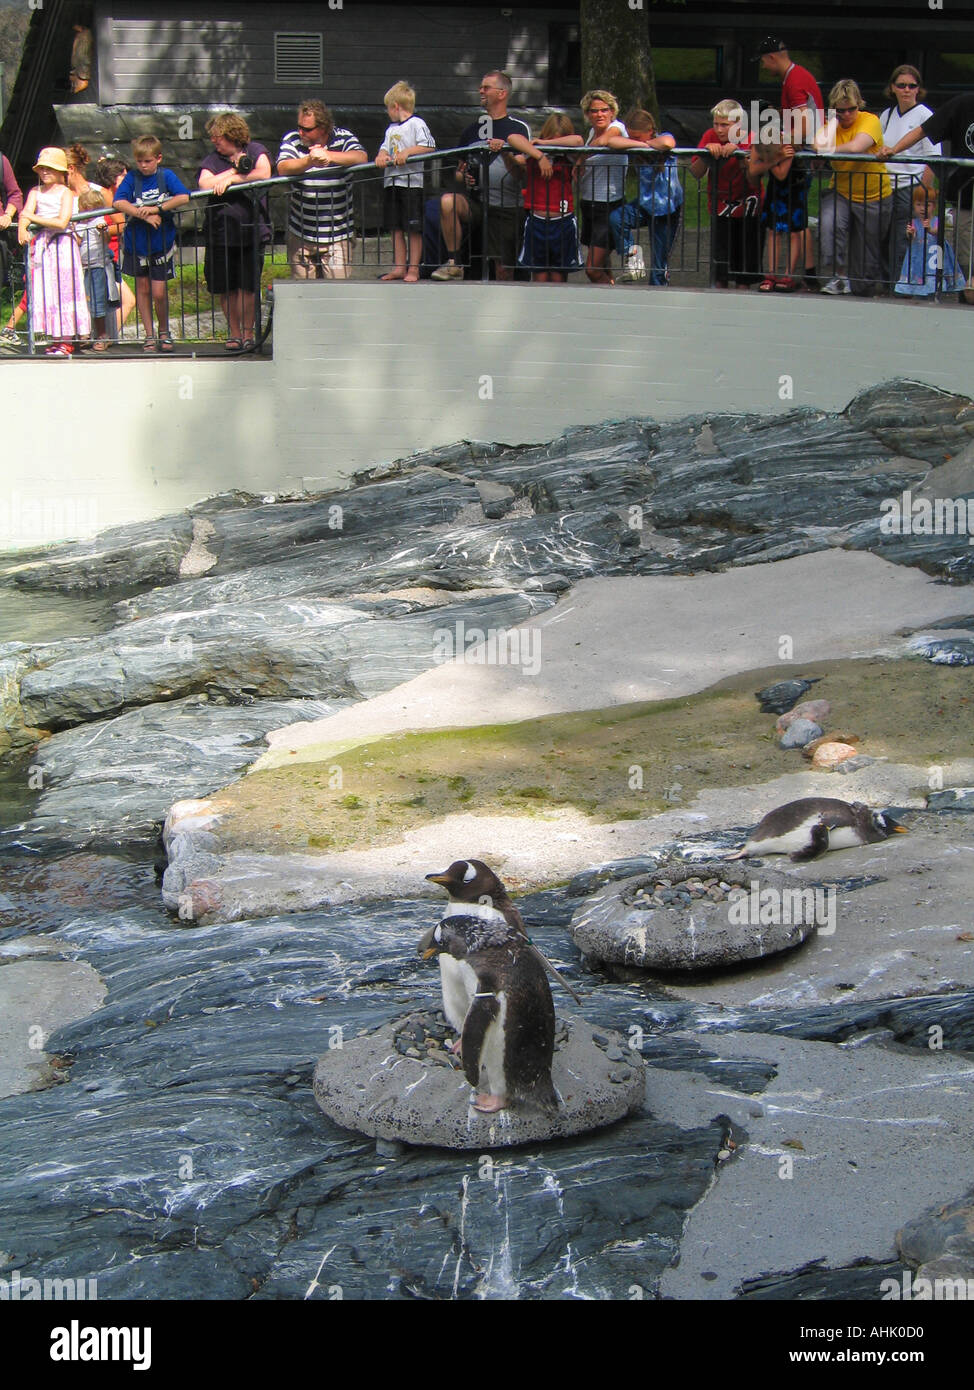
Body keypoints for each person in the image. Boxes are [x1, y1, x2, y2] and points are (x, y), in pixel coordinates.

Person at [431, 71, 530, 281]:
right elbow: (458, 172)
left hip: (507, 205)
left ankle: (506, 308)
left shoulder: (518, 128)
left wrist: (504, 151)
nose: (481, 91)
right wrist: (464, 176)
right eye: (481, 87)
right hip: (476, 202)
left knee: (503, 269)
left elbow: (523, 171)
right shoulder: (471, 131)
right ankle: (453, 263)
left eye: (486, 87)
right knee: (448, 201)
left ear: (502, 93)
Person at [879, 90, 974, 305]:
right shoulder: (962, 104)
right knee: (966, 256)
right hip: (966, 197)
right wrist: (894, 149)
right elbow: (924, 131)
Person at [198, 113, 272, 351]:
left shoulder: (255, 150)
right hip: (220, 232)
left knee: (248, 286)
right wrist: (232, 174)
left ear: (232, 134)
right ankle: (234, 332)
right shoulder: (213, 159)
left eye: (218, 137)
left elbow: (264, 172)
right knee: (226, 286)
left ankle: (249, 332)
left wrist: (236, 178)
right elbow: (204, 183)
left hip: (251, 232)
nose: (215, 142)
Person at [814, 79, 892, 296]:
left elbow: (858, 146)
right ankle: (838, 276)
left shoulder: (870, 120)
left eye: (852, 109)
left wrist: (829, 150)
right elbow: (816, 145)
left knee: (865, 265)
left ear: (859, 105)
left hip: (874, 195)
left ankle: (862, 283)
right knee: (829, 226)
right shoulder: (830, 126)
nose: (847, 115)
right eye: (841, 111)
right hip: (841, 191)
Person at [112, 135, 190, 351]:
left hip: (161, 243)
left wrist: (157, 209)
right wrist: (142, 214)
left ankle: (163, 330)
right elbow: (118, 201)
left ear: (158, 158)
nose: (144, 166)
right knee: (143, 289)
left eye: (148, 161)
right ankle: (149, 334)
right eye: (140, 161)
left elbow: (183, 196)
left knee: (158, 292)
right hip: (137, 243)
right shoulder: (132, 179)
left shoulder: (166, 176)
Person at [277, 100, 366, 279]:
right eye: (299, 126)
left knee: (336, 295)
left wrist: (329, 156)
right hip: (301, 232)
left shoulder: (343, 137)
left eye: (307, 129)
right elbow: (283, 167)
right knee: (303, 295)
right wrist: (309, 161)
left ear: (324, 128)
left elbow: (361, 157)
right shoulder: (292, 139)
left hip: (338, 235)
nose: (301, 132)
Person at [17, 147, 90, 356]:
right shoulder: (35, 192)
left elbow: (62, 221)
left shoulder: (65, 192)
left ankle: (67, 338)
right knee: (48, 289)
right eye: (42, 168)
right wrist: (23, 226)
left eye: (49, 168)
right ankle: (55, 337)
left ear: (60, 171)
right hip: (44, 247)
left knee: (65, 290)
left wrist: (32, 219)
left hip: (63, 245)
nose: (45, 172)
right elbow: (25, 213)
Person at [690, 99, 763, 287]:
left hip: (748, 208)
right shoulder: (709, 135)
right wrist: (706, 155)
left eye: (725, 125)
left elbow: (754, 180)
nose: (719, 130)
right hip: (720, 206)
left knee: (743, 272)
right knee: (720, 270)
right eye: (716, 124)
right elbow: (695, 173)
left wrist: (740, 156)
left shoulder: (751, 138)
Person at [878, 66, 939, 289]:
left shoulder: (926, 115)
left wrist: (923, 191)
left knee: (903, 236)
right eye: (901, 85)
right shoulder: (886, 115)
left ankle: (901, 283)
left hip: (910, 185)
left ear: (918, 89)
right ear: (893, 88)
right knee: (883, 234)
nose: (906, 90)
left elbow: (932, 157)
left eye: (912, 86)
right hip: (885, 185)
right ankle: (886, 281)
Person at [609, 108, 681, 286]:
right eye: (631, 137)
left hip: (666, 210)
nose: (633, 141)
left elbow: (668, 143)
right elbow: (611, 141)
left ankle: (659, 292)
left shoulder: (662, 136)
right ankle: (633, 258)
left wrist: (647, 144)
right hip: (646, 204)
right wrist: (641, 145)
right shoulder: (637, 145)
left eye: (637, 137)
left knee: (659, 263)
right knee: (617, 218)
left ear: (650, 131)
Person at [508, 112, 583, 282]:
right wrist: (539, 154)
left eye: (559, 140)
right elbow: (512, 138)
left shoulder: (568, 155)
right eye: (551, 138)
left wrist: (547, 143)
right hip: (537, 220)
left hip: (563, 221)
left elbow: (578, 140)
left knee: (558, 277)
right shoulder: (533, 152)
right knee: (539, 276)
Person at [374, 81, 436, 282]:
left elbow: (429, 146)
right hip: (392, 182)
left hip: (411, 184)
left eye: (388, 108)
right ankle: (400, 266)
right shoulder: (391, 129)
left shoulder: (417, 123)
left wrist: (408, 152)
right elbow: (385, 147)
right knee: (395, 227)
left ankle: (413, 268)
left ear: (396, 106)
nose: (388, 112)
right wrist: (381, 155)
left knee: (413, 228)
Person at [576, 90, 634, 285]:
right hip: (590, 203)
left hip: (610, 205)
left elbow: (605, 141)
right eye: (594, 111)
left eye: (604, 110)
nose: (599, 114)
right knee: (602, 266)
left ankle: (615, 298)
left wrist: (581, 158)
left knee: (592, 269)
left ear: (612, 112)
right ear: (587, 114)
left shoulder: (617, 128)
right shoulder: (592, 132)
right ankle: (607, 297)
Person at [748, 134, 810, 291]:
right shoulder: (760, 144)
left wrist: (768, 161)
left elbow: (781, 173)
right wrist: (774, 159)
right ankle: (771, 273)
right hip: (775, 191)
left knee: (794, 232)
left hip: (794, 189)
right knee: (773, 231)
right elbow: (754, 169)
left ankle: (789, 274)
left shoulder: (787, 144)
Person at [894, 182, 968, 297]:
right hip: (919, 255)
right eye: (918, 205)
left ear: (934, 206)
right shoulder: (914, 222)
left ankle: (937, 290)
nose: (922, 208)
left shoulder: (937, 220)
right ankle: (917, 291)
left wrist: (929, 229)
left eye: (927, 205)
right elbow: (910, 237)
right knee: (918, 273)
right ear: (914, 205)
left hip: (935, 254)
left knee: (935, 275)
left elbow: (938, 232)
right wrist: (910, 233)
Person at [93, 155, 137, 339]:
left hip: (111, 259)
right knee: (125, 300)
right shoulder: (106, 195)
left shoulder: (110, 194)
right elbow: (118, 224)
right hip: (103, 258)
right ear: (112, 177)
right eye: (123, 175)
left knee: (122, 301)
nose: (127, 180)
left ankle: (107, 337)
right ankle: (106, 337)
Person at [755, 36, 824, 147]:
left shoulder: (794, 81)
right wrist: (776, 112)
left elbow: (804, 128)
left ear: (772, 58)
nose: (764, 66)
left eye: (763, 61)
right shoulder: (794, 75)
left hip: (810, 150)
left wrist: (774, 140)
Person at [76, 186, 116, 350]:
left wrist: (103, 231)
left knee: (98, 302)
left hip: (97, 267)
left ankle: (102, 335)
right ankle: (86, 334)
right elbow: (78, 242)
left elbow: (106, 239)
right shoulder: (80, 224)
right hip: (83, 268)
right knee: (84, 303)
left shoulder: (98, 222)